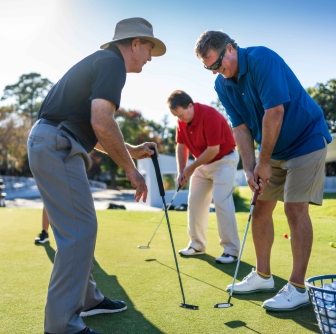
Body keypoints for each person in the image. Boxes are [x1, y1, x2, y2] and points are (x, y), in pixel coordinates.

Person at [27, 17, 166, 334]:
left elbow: (95, 131)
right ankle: (62, 326)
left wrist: (130, 150)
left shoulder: (102, 62)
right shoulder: (111, 64)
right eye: (149, 48)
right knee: (80, 230)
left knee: (80, 229)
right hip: (56, 144)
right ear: (134, 44)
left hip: (54, 141)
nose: (150, 56)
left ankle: (88, 300)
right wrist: (132, 170)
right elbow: (102, 120)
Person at [195, 31, 332, 312]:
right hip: (274, 150)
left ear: (230, 49)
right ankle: (263, 276)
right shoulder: (223, 85)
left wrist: (263, 161)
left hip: (306, 140)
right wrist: (249, 168)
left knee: (294, 210)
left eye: (218, 65)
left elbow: (275, 112)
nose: (216, 73)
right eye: (209, 68)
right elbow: (240, 128)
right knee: (260, 211)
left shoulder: (262, 59)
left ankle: (297, 288)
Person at [167, 90, 240, 264]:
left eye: (182, 115)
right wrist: (181, 170)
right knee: (195, 202)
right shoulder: (181, 122)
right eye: (177, 116)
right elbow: (181, 146)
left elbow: (213, 149)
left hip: (223, 160)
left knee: (221, 201)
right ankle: (197, 245)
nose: (181, 119)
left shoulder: (210, 115)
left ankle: (231, 250)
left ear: (190, 105)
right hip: (202, 163)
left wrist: (190, 168)